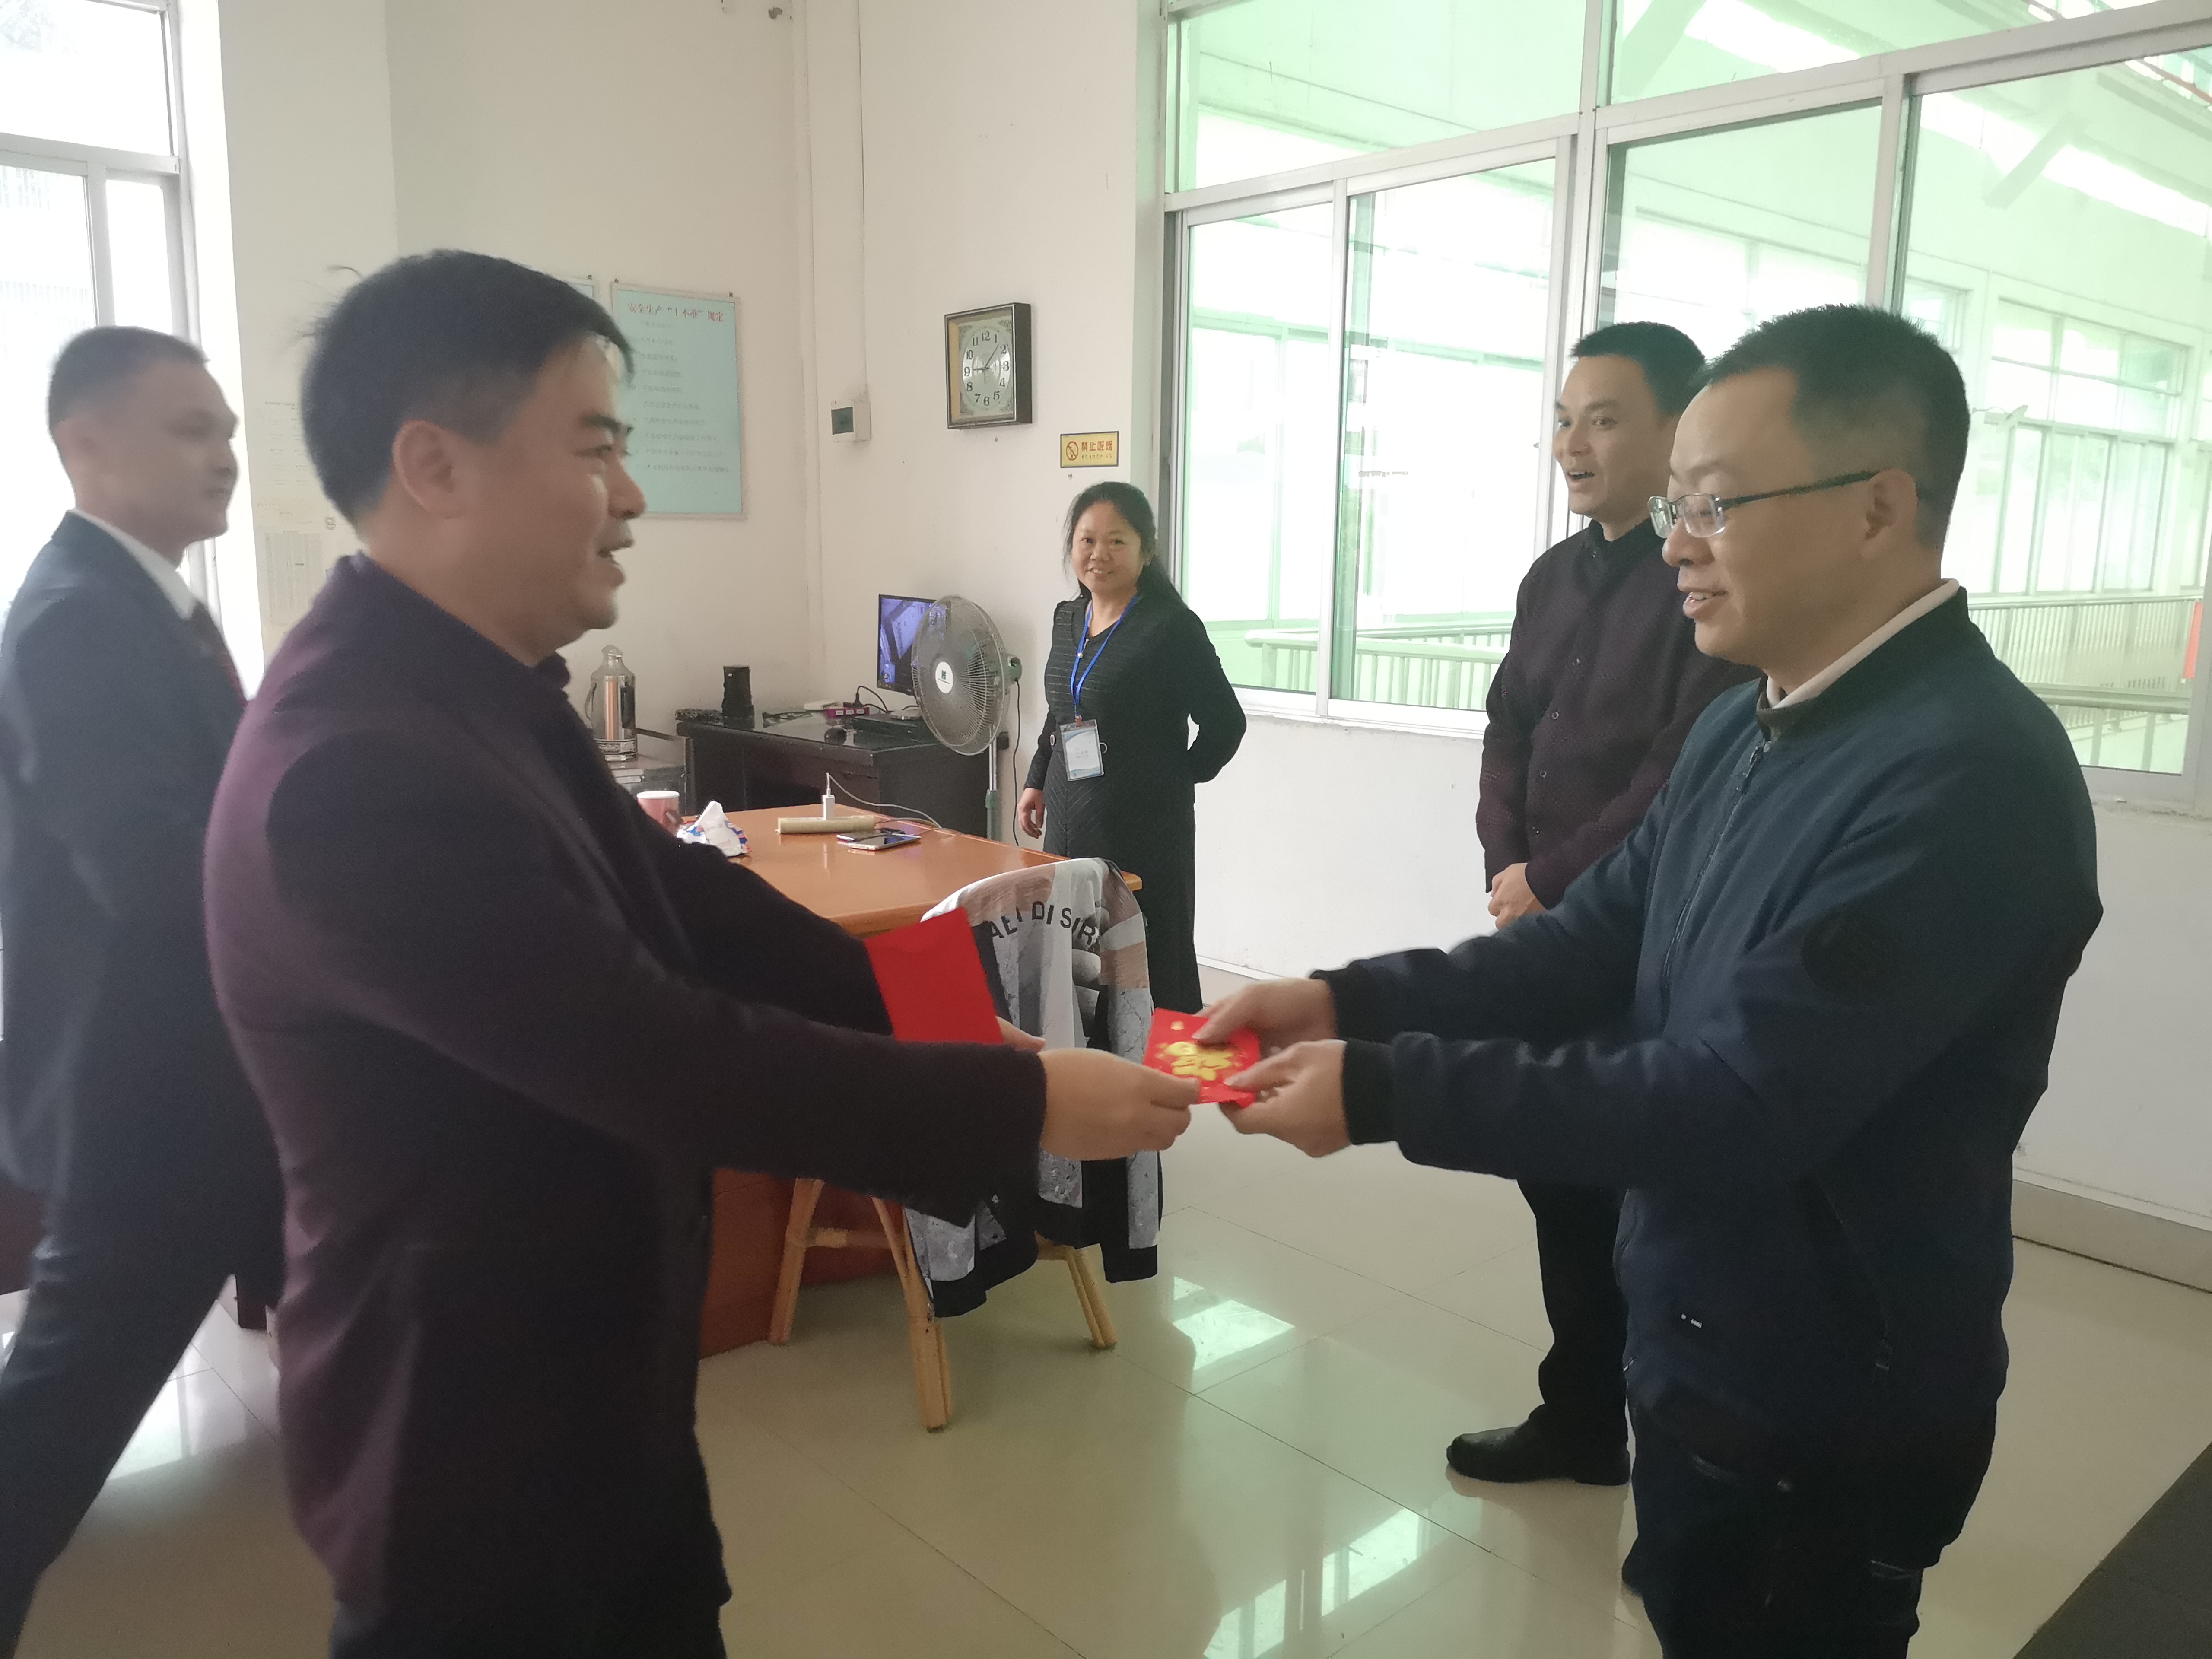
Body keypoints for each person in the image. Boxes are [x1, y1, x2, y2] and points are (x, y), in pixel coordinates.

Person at [200, 251, 1196, 1659]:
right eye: (594, 446)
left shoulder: (475, 693)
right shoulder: (355, 768)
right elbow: (665, 1057)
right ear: (435, 466)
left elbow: (694, 904)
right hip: (473, 1455)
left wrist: (970, 1025)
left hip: (594, 1402)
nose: (632, 494)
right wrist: (1025, 1100)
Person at [1198, 305, 2101, 1657]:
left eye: (1715, 504)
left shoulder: (1967, 778)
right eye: (1675, 504)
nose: (1675, 543)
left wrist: (1380, 1089)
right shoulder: (1748, 721)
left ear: (1877, 507)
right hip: (1697, 1339)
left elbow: (1736, 1099)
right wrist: (1344, 999)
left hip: (1820, 1400)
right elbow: (1585, 944)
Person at [0, 328, 283, 1652]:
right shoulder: (77, 617)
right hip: (150, 1101)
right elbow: (158, 870)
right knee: (52, 1427)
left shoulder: (151, 602)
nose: (223, 455)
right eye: (188, 430)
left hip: (216, 1081)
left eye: (226, 430)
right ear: (84, 443)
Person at [1452, 322, 1755, 1488]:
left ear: (1678, 431)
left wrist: (1549, 880)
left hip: (1646, 937)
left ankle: (1679, 1439)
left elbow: (1674, 776)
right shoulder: (1551, 576)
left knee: (1645, 1196)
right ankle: (1582, 1418)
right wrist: (1508, 862)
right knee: (1559, 1176)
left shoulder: (1704, 580)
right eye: (1564, 420)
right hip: (1546, 930)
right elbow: (1508, 728)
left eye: (1606, 419)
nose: (1573, 444)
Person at [1016, 482, 1245, 1012]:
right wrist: (1036, 780)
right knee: (1073, 956)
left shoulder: (1170, 627)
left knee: (1143, 964)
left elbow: (1225, 723)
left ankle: (1153, 1058)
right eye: (1087, 540)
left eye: (1116, 541)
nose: (1099, 554)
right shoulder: (1067, 619)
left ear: (1146, 550)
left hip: (1143, 832)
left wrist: (1173, 779)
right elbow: (1061, 711)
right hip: (1068, 818)